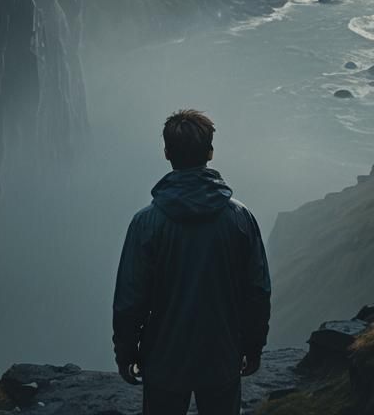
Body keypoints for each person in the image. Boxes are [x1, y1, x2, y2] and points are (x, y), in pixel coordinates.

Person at [112, 109, 271, 415]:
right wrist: (253, 346)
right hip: (222, 355)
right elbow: (257, 290)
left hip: (163, 359)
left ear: (167, 153)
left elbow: (130, 298)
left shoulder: (146, 223)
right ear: (210, 152)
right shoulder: (240, 219)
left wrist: (126, 352)